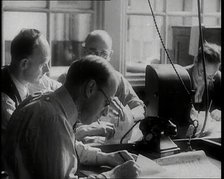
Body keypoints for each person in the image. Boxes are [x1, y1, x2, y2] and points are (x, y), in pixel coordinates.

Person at [3, 55, 140, 179]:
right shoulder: (53, 121)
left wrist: (106, 157)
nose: (105, 112)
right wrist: (115, 175)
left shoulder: (42, 100)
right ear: (90, 88)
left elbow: (66, 147)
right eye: (107, 102)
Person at [74, 30, 146, 144]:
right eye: (92, 52)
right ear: (83, 52)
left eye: (103, 53)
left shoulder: (117, 79)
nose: (98, 58)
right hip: (81, 144)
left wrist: (125, 117)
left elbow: (140, 108)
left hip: (109, 142)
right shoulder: (69, 78)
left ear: (110, 55)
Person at [1, 28, 51, 149]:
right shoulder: (4, 101)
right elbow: (30, 141)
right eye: (43, 64)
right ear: (24, 64)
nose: (47, 70)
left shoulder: (25, 81)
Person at [185, 42, 221, 122]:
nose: (204, 80)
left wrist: (219, 112)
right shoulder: (179, 77)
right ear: (196, 61)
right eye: (202, 72)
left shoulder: (218, 78)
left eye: (210, 77)